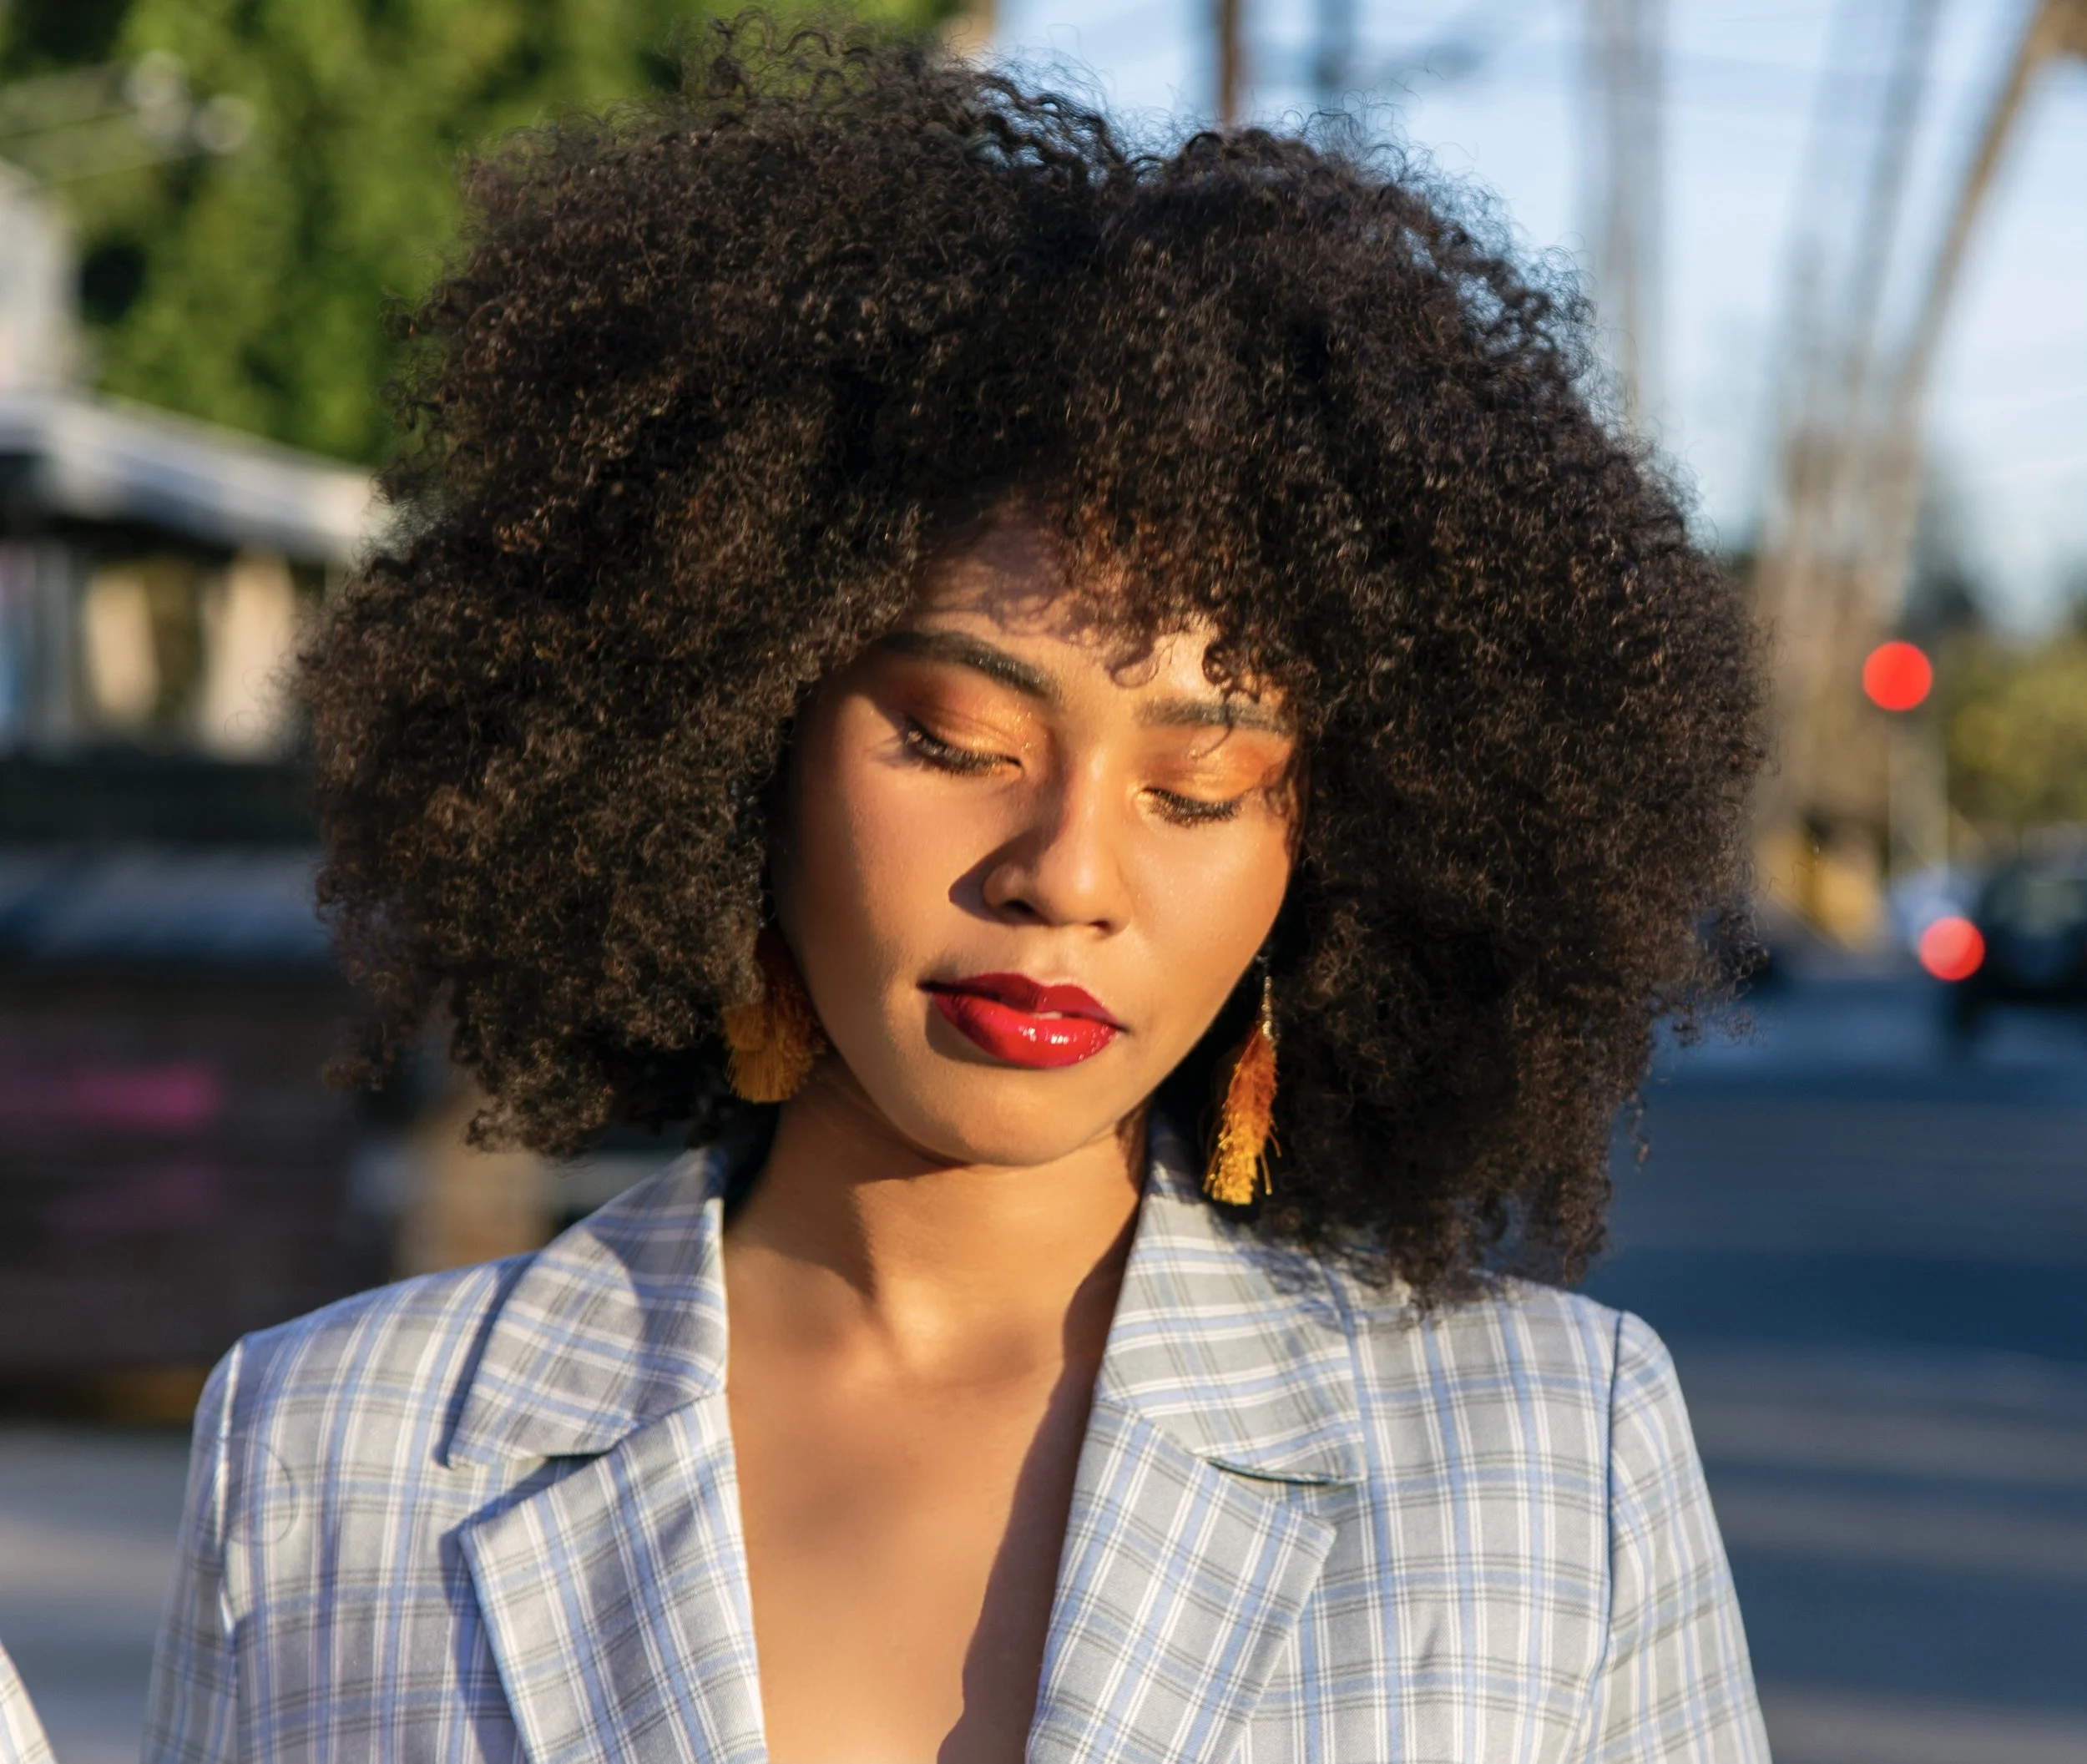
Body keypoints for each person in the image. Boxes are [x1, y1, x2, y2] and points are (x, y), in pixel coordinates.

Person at [144, 20, 1769, 1763]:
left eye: (1196, 787)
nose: (1064, 874)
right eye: (951, 739)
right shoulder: (333, 1449)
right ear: (727, 722)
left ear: (1337, 851)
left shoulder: (1547, 1462)